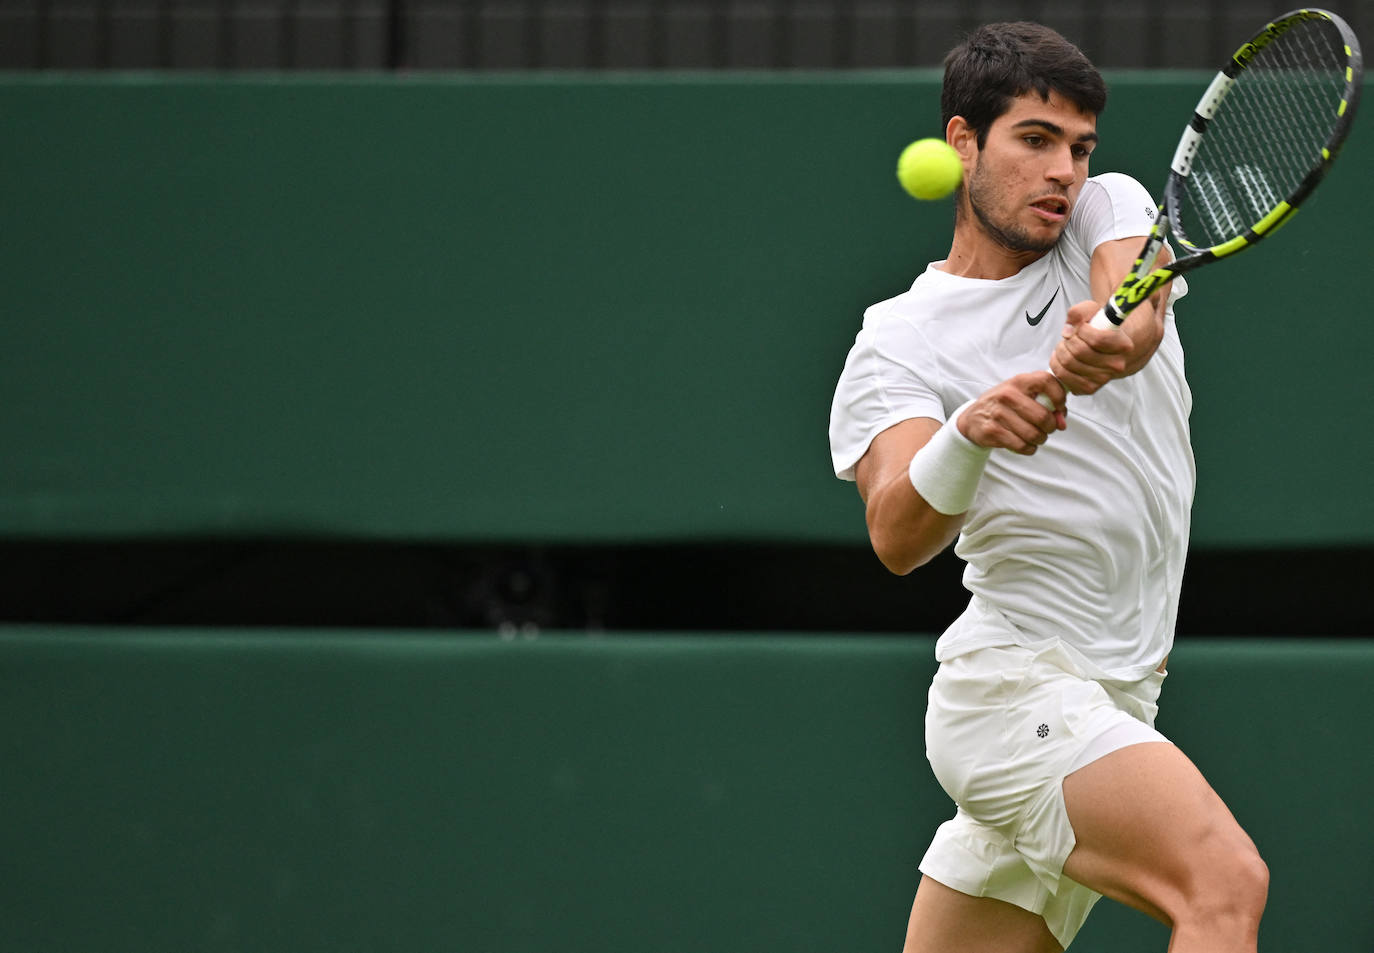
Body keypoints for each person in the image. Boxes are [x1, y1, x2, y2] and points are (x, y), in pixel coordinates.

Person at [828, 22, 1269, 953]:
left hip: (1119, 694)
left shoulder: (1110, 207)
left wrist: (1114, 337)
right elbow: (897, 532)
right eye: (1034, 140)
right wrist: (969, 432)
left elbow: (1134, 312)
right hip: (1012, 690)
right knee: (1224, 884)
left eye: (1077, 146)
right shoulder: (898, 339)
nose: (1063, 169)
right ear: (962, 143)